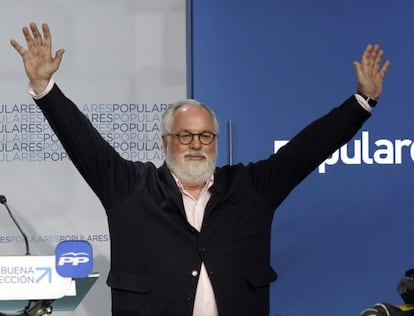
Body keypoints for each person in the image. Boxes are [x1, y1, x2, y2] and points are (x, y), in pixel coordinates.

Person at [10, 23, 390, 316]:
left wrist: (362, 102)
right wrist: (45, 88)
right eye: (185, 135)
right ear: (165, 142)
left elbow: (310, 148)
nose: (196, 144)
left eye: (205, 136)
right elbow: (83, 142)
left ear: (216, 141)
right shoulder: (129, 187)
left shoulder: (251, 188)